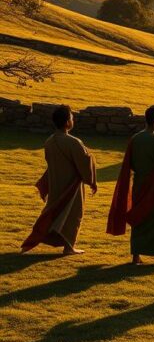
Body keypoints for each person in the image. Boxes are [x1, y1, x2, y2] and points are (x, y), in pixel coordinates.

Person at [107, 105, 154, 266]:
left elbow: (130, 164)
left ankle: (136, 256)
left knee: (139, 218)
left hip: (139, 185)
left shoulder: (135, 139)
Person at [21, 105, 98, 255]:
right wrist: (92, 179)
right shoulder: (74, 142)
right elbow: (84, 162)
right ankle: (69, 247)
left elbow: (51, 163)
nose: (73, 120)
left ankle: (35, 240)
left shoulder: (49, 141)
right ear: (67, 122)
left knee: (52, 213)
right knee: (73, 215)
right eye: (71, 117)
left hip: (56, 183)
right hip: (72, 186)